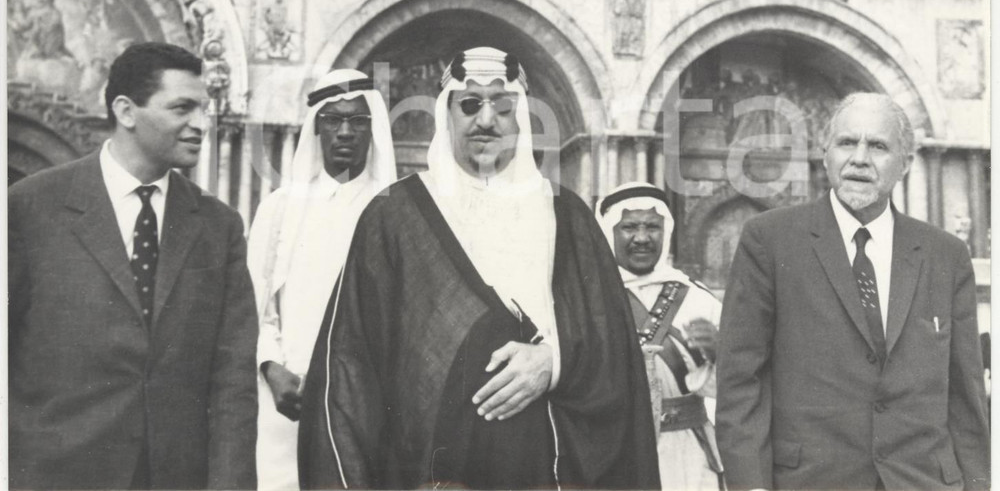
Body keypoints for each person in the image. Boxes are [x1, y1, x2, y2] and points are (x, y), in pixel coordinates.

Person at [298, 46, 659, 489]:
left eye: (502, 107)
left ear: (521, 119)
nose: (486, 120)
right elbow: (350, 367)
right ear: (446, 115)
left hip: (547, 470)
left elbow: (614, 346)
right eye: (469, 104)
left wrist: (556, 361)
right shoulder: (394, 216)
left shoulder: (568, 215)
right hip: (428, 472)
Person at [9, 42, 258, 489]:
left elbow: (233, 381)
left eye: (204, 108)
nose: (201, 124)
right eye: (183, 107)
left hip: (175, 476)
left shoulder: (219, 226)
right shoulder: (30, 208)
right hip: (56, 473)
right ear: (126, 111)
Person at [717, 92, 989, 491]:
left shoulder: (945, 254)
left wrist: (979, 482)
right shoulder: (770, 240)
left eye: (878, 146)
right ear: (824, 153)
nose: (859, 158)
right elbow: (742, 381)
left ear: (906, 164)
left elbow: (966, 396)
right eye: (847, 143)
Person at [247, 69, 397, 490]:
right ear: (316, 128)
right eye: (333, 120)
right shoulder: (279, 208)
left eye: (358, 121)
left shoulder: (399, 213)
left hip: (372, 404)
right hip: (285, 404)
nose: (345, 131)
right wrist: (271, 368)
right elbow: (256, 307)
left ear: (373, 130)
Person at [598, 182, 724, 491]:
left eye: (652, 226)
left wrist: (721, 351)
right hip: (614, 451)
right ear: (608, 231)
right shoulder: (590, 299)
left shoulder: (698, 298)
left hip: (689, 456)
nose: (642, 238)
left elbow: (739, 387)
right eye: (629, 227)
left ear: (665, 231)